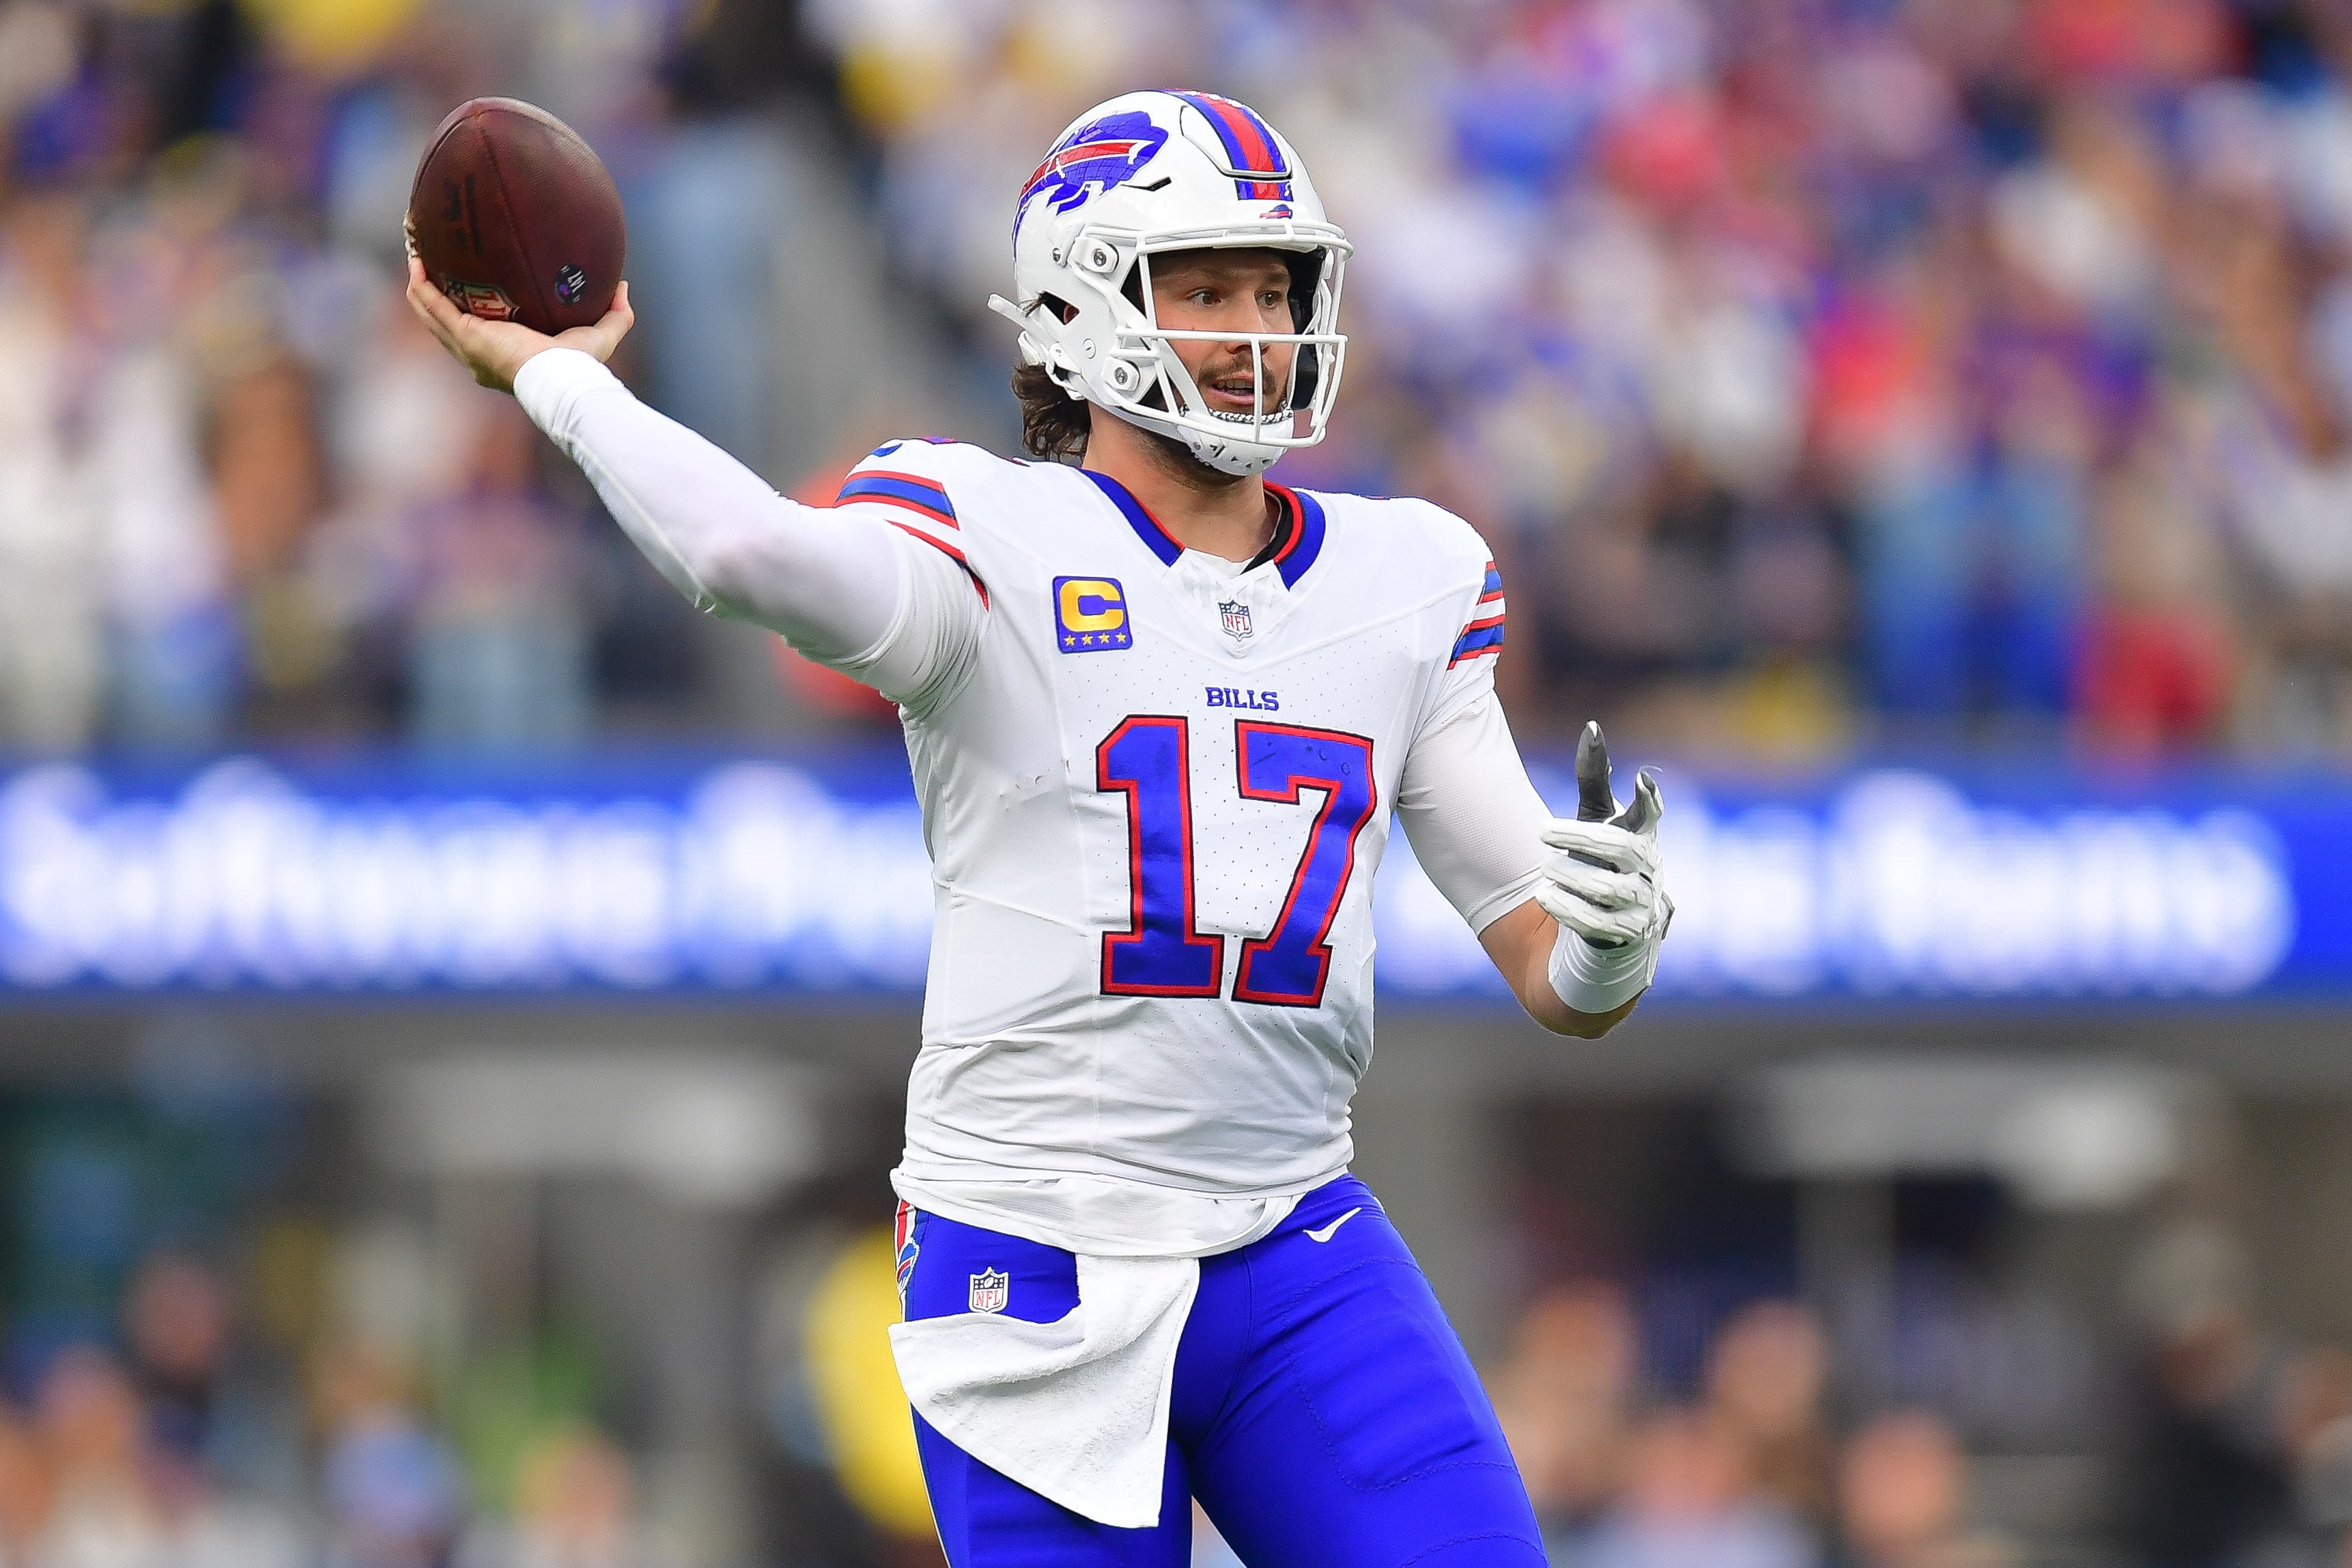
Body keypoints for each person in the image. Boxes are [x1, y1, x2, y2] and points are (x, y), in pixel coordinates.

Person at [406, 88, 1673, 1568]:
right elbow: (747, 555)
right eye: (1201, 286)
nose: (1251, 325)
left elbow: (1545, 956)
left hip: (1292, 1239)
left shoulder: (1408, 574)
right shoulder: (983, 532)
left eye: (1273, 287)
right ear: (1080, 307)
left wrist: (1605, 946)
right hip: (1032, 1247)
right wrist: (563, 383)